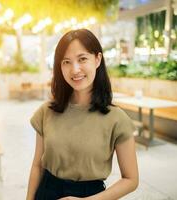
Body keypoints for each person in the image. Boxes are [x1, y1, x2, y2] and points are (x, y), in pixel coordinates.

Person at [26, 29, 138, 200]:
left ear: (98, 59)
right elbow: (37, 166)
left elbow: (131, 179)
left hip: (92, 196)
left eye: (82, 59)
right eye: (66, 62)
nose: (75, 69)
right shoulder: (46, 111)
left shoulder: (117, 119)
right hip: (47, 192)